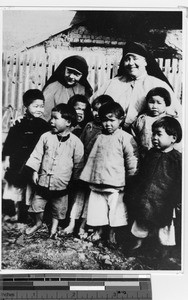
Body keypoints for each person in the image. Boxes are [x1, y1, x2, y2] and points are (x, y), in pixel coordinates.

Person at [79, 101, 139, 242]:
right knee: (97, 209)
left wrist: (132, 178)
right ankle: (99, 231)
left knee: (115, 210)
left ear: (120, 120)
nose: (108, 124)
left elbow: (132, 159)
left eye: (112, 120)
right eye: (105, 120)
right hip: (97, 180)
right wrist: (87, 175)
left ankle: (112, 234)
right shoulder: (98, 137)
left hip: (115, 183)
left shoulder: (125, 138)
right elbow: (90, 155)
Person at [25, 103, 84, 238]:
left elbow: (78, 164)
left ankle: (54, 228)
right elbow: (36, 154)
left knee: (58, 209)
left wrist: (74, 181)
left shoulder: (76, 143)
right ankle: (38, 223)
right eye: (51, 118)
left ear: (68, 122)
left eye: (56, 118)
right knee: (37, 204)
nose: (51, 121)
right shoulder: (45, 137)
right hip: (43, 181)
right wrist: (34, 171)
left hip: (62, 184)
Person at [94, 41, 181, 131]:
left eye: (135, 59)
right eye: (127, 59)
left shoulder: (158, 85)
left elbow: (176, 117)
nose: (131, 63)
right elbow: (92, 106)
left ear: (145, 62)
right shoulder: (111, 84)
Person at [128, 116, 182, 252]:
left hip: (164, 199)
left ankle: (163, 249)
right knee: (141, 219)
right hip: (146, 196)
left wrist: (178, 199)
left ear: (173, 138)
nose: (154, 138)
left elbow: (180, 181)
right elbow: (142, 174)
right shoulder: (151, 154)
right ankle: (138, 242)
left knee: (165, 225)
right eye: (153, 134)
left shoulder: (177, 159)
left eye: (159, 134)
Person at [63, 95, 115, 237]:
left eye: (101, 111)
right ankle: (72, 222)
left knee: (91, 199)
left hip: (97, 170)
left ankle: (83, 225)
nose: (97, 114)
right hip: (84, 167)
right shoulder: (89, 126)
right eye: (95, 110)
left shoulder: (109, 131)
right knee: (78, 196)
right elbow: (80, 145)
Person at [2, 89, 50, 222]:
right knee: (15, 186)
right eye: (35, 106)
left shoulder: (44, 126)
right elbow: (10, 143)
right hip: (18, 161)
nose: (39, 109)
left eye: (41, 106)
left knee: (30, 189)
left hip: (33, 162)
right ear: (26, 107)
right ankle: (12, 211)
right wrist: (6, 159)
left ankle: (26, 214)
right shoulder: (18, 124)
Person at [42, 55, 93, 121]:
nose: (71, 76)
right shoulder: (52, 88)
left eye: (76, 74)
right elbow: (45, 115)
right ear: (63, 69)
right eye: (69, 71)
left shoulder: (83, 90)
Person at [131, 87, 176, 158]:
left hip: (164, 157)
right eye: (151, 102)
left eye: (159, 103)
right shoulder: (142, 119)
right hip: (144, 156)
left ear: (166, 104)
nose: (155, 106)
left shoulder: (169, 120)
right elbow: (134, 138)